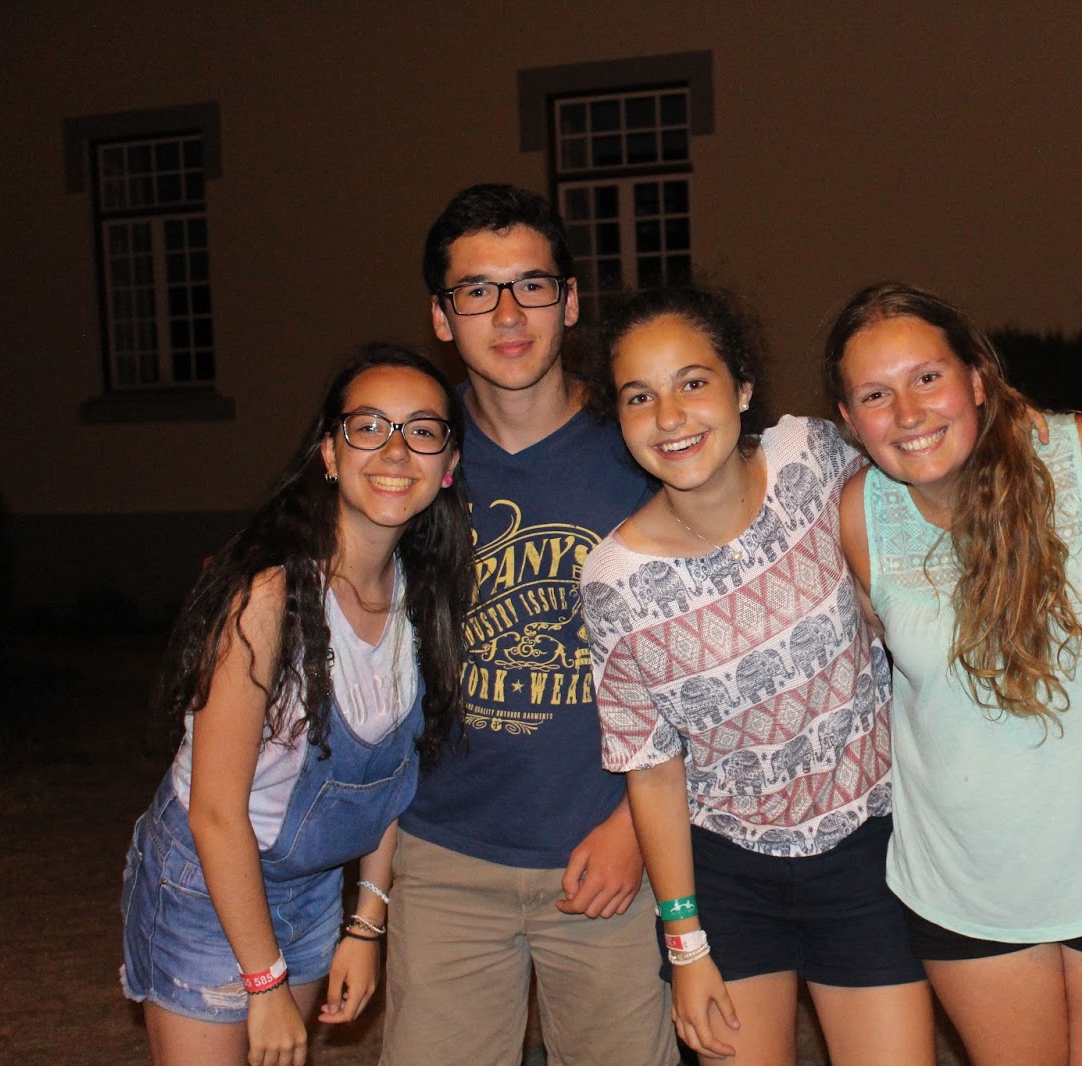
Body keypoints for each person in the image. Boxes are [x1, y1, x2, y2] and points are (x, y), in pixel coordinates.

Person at [580, 286, 936, 1064]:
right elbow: (654, 771)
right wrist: (685, 946)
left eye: (692, 382)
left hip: (868, 852)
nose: (669, 416)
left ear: (742, 387)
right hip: (729, 880)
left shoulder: (811, 455)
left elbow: (916, 509)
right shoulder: (612, 582)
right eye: (640, 397)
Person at [824, 283, 1082, 1066]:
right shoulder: (860, 515)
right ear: (849, 420)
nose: (908, 412)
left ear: (977, 378)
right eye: (876, 395)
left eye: (928, 377)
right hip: (963, 882)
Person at [381, 185, 675, 1065]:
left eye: (532, 285)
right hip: (446, 857)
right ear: (442, 316)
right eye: (477, 290)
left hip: (608, 848)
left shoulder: (643, 444)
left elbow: (707, 646)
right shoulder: (412, 453)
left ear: (570, 300)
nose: (507, 314)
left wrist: (635, 827)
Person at [120, 343, 473, 1066]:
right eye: (368, 427)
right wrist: (264, 980)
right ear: (330, 454)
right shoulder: (269, 598)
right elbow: (215, 812)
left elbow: (389, 781)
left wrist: (366, 924)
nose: (395, 450)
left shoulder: (423, 597)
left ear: (449, 466)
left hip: (313, 890)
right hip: (205, 885)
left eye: (422, 431)